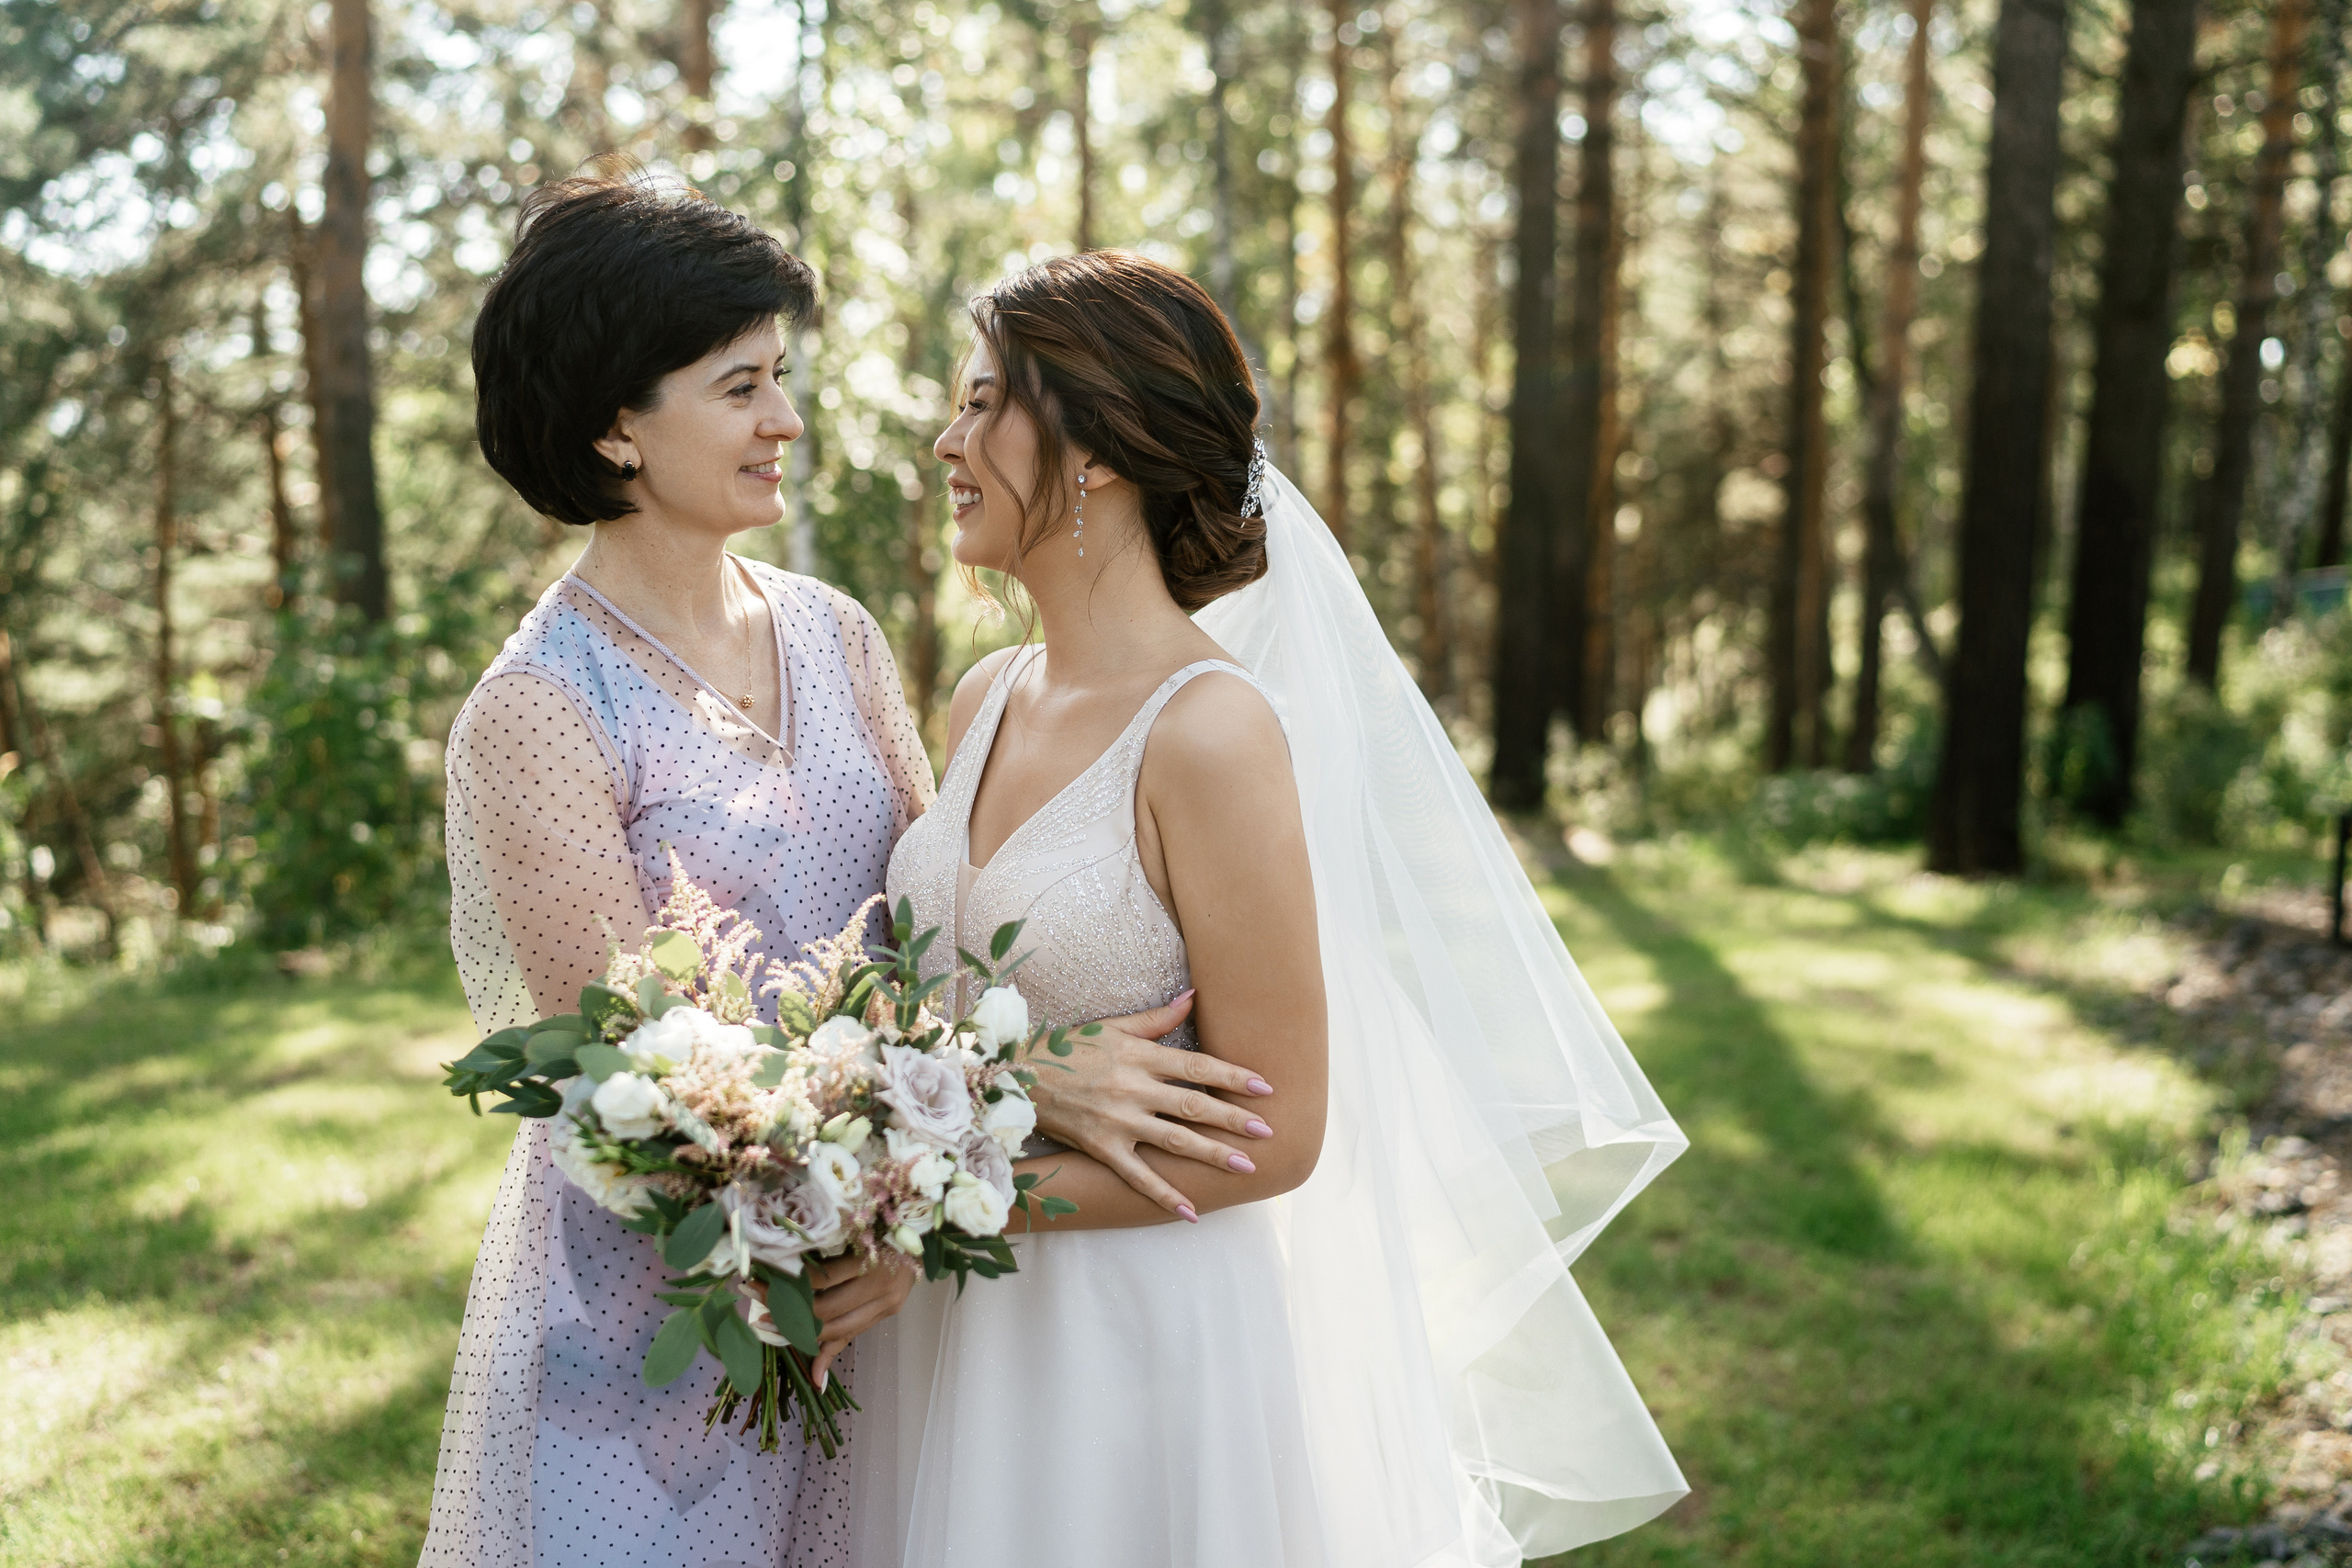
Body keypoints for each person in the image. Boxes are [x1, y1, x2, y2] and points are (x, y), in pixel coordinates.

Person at [424, 167, 1283, 1567]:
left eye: (781, 376)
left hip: (877, 1301)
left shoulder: (835, 637)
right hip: (666, 1328)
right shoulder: (537, 711)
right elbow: (634, 1087)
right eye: (742, 385)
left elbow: (927, 944)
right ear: (614, 428)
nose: (788, 419)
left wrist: (967, 1116)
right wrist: (1006, 1096)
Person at [854, 252, 1689, 1568]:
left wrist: (949, 1194)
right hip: (951, 1325)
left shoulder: (1210, 733)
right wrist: (970, 1104)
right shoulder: (984, 698)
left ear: (1099, 452)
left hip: (1130, 1334)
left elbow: (1283, 1133)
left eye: (981, 405)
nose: (947, 441)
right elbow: (937, 1005)